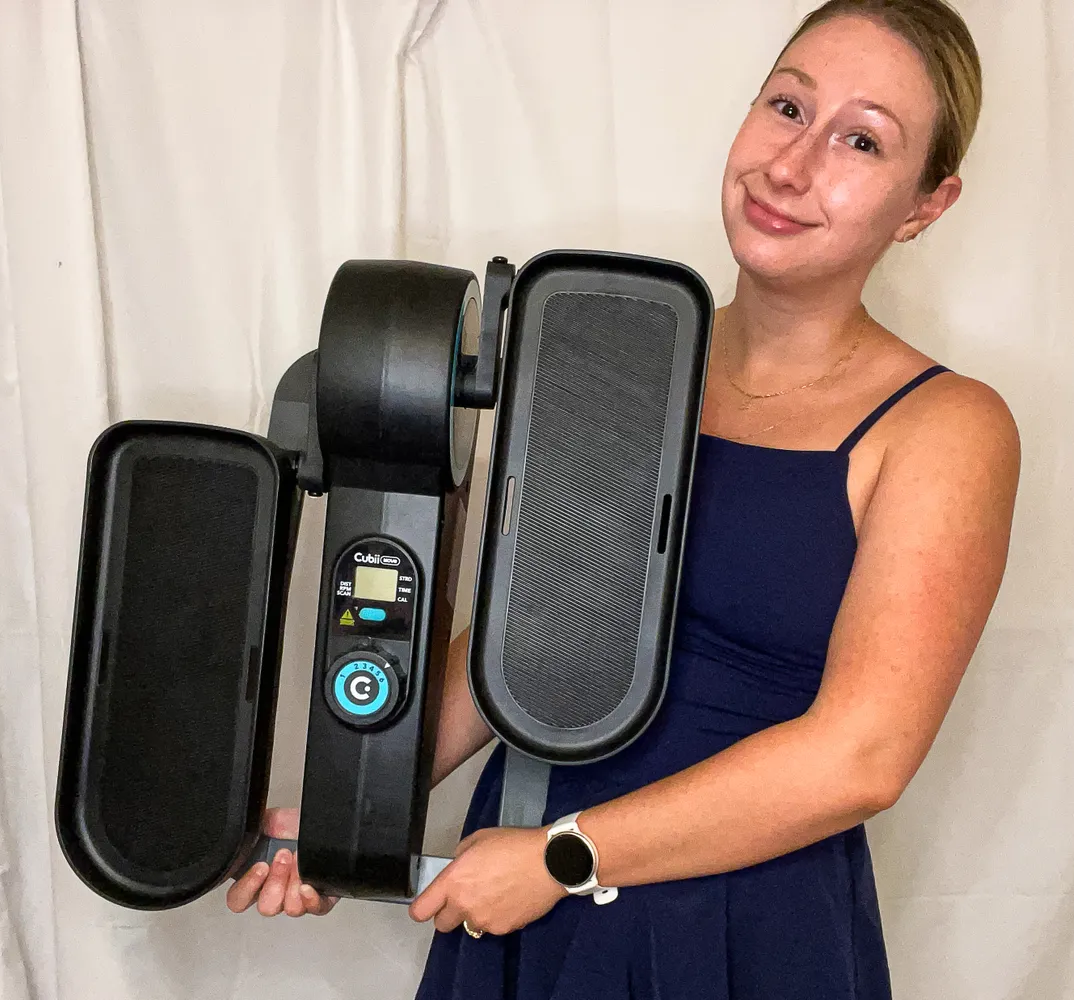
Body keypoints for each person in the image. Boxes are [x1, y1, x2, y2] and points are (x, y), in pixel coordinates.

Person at [227, 2, 1019, 996]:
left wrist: (568, 857)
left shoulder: (948, 426)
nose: (792, 165)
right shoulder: (614, 361)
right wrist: (351, 812)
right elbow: (519, 637)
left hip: (733, 920)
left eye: (861, 140)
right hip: (522, 880)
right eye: (787, 107)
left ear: (925, 205)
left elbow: (863, 756)